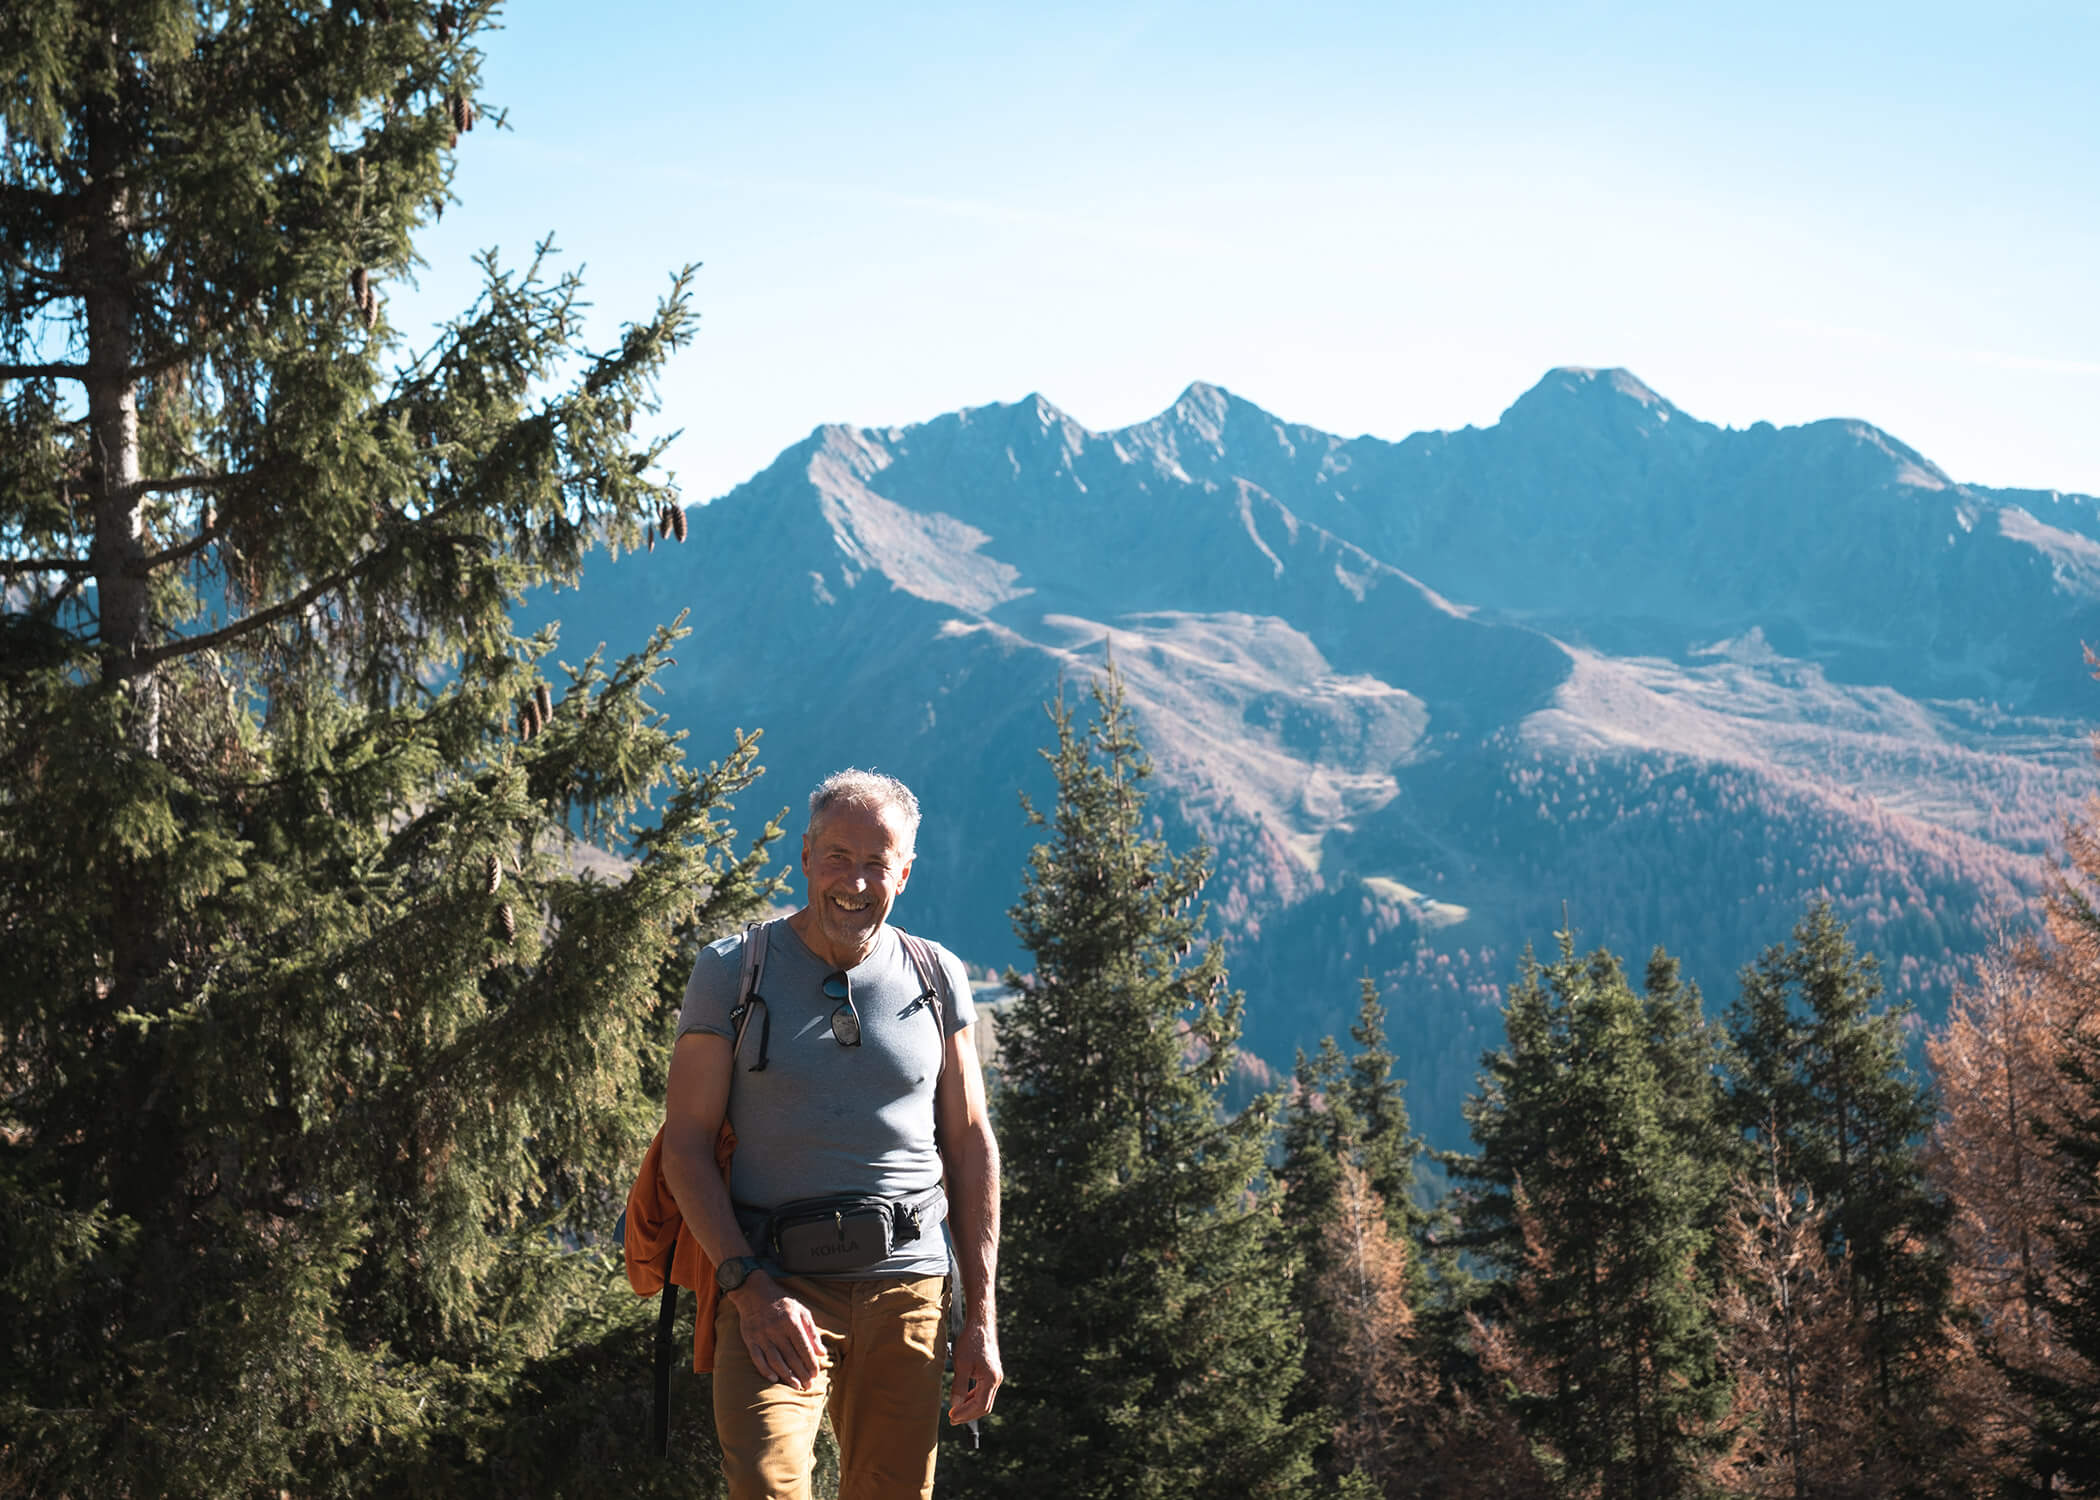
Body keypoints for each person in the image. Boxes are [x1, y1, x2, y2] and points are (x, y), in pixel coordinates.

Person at [661, 769, 1002, 1500]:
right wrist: (749, 1290)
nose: (855, 881)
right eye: (838, 857)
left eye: (877, 862)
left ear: (903, 873)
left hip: (908, 1289)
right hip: (772, 1284)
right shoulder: (732, 971)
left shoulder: (937, 975)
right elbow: (683, 1144)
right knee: (767, 1484)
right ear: (807, 857)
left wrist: (981, 1319)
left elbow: (971, 1144)